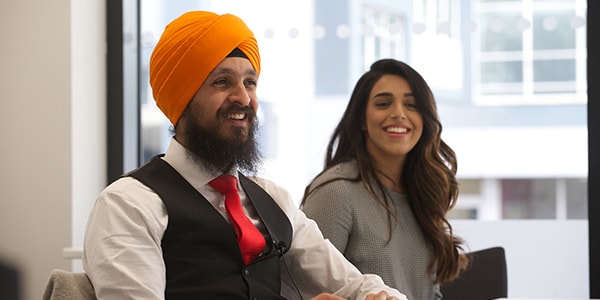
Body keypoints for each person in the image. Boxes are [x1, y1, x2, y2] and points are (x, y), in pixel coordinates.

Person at [82, 11, 405, 300]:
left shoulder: (272, 198)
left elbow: (350, 283)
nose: (243, 98)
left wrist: (382, 297)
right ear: (183, 100)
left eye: (250, 83)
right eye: (222, 82)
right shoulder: (129, 204)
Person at [301, 58, 469, 300]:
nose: (398, 114)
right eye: (383, 104)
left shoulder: (422, 193)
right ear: (362, 120)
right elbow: (304, 289)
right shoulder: (336, 192)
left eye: (412, 105)